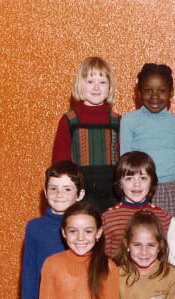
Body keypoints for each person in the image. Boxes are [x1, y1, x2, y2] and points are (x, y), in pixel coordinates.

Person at [22, 161, 85, 299]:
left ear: (80, 194)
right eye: (53, 188)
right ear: (45, 192)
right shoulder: (34, 227)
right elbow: (29, 271)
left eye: (67, 189)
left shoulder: (86, 227)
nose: (59, 194)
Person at [119, 63, 175, 218]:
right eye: (148, 90)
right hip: (140, 188)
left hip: (172, 190)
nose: (154, 96)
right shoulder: (129, 121)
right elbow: (125, 161)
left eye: (161, 90)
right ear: (138, 93)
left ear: (171, 93)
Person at [52, 57, 120, 212]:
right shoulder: (70, 120)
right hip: (80, 191)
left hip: (111, 192)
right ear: (80, 85)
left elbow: (123, 159)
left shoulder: (117, 121)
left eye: (102, 82)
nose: (96, 87)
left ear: (109, 87)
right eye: (90, 81)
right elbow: (60, 160)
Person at [102, 151, 171, 258]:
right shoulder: (108, 218)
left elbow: (166, 255)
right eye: (129, 178)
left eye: (143, 178)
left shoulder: (163, 217)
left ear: (151, 182)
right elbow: (104, 258)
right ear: (120, 183)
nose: (137, 184)